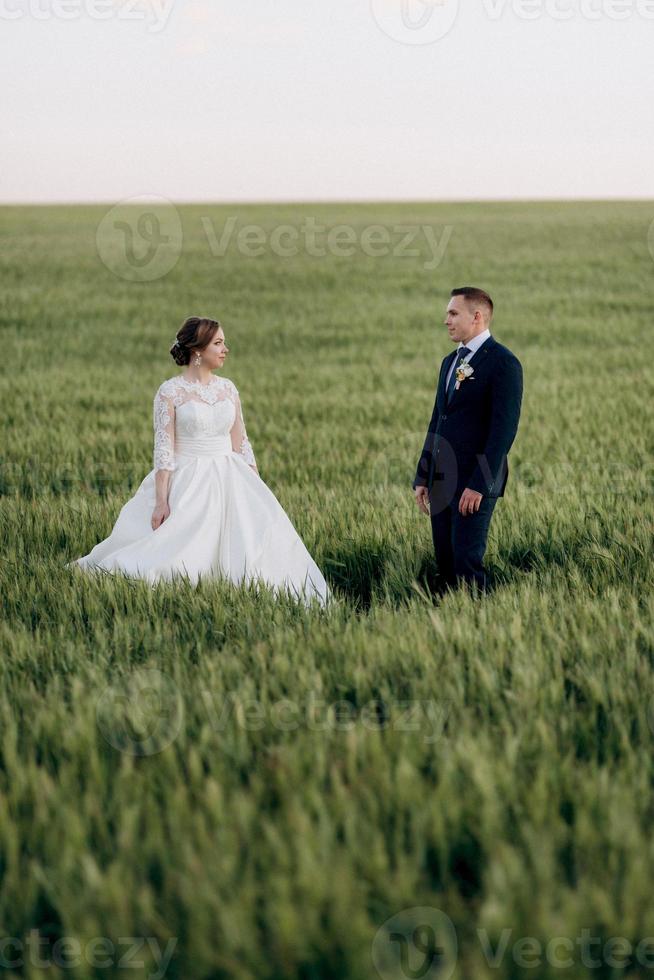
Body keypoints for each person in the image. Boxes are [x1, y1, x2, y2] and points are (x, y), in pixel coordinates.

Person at [67, 316, 329, 606]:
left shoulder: (228, 389)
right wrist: (161, 501)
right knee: (179, 552)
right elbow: (164, 449)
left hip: (231, 475)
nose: (225, 349)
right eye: (218, 343)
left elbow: (241, 442)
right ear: (197, 350)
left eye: (223, 342)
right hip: (189, 477)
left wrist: (257, 487)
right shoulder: (170, 392)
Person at [413, 287, 523, 593]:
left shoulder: (503, 363)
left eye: (452, 313)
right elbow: (437, 421)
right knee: (445, 564)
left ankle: (480, 625)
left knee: (466, 564)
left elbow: (503, 432)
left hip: (473, 482)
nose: (445, 319)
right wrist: (423, 475)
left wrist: (479, 484)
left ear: (476, 317)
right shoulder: (450, 362)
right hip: (441, 479)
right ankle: (449, 627)